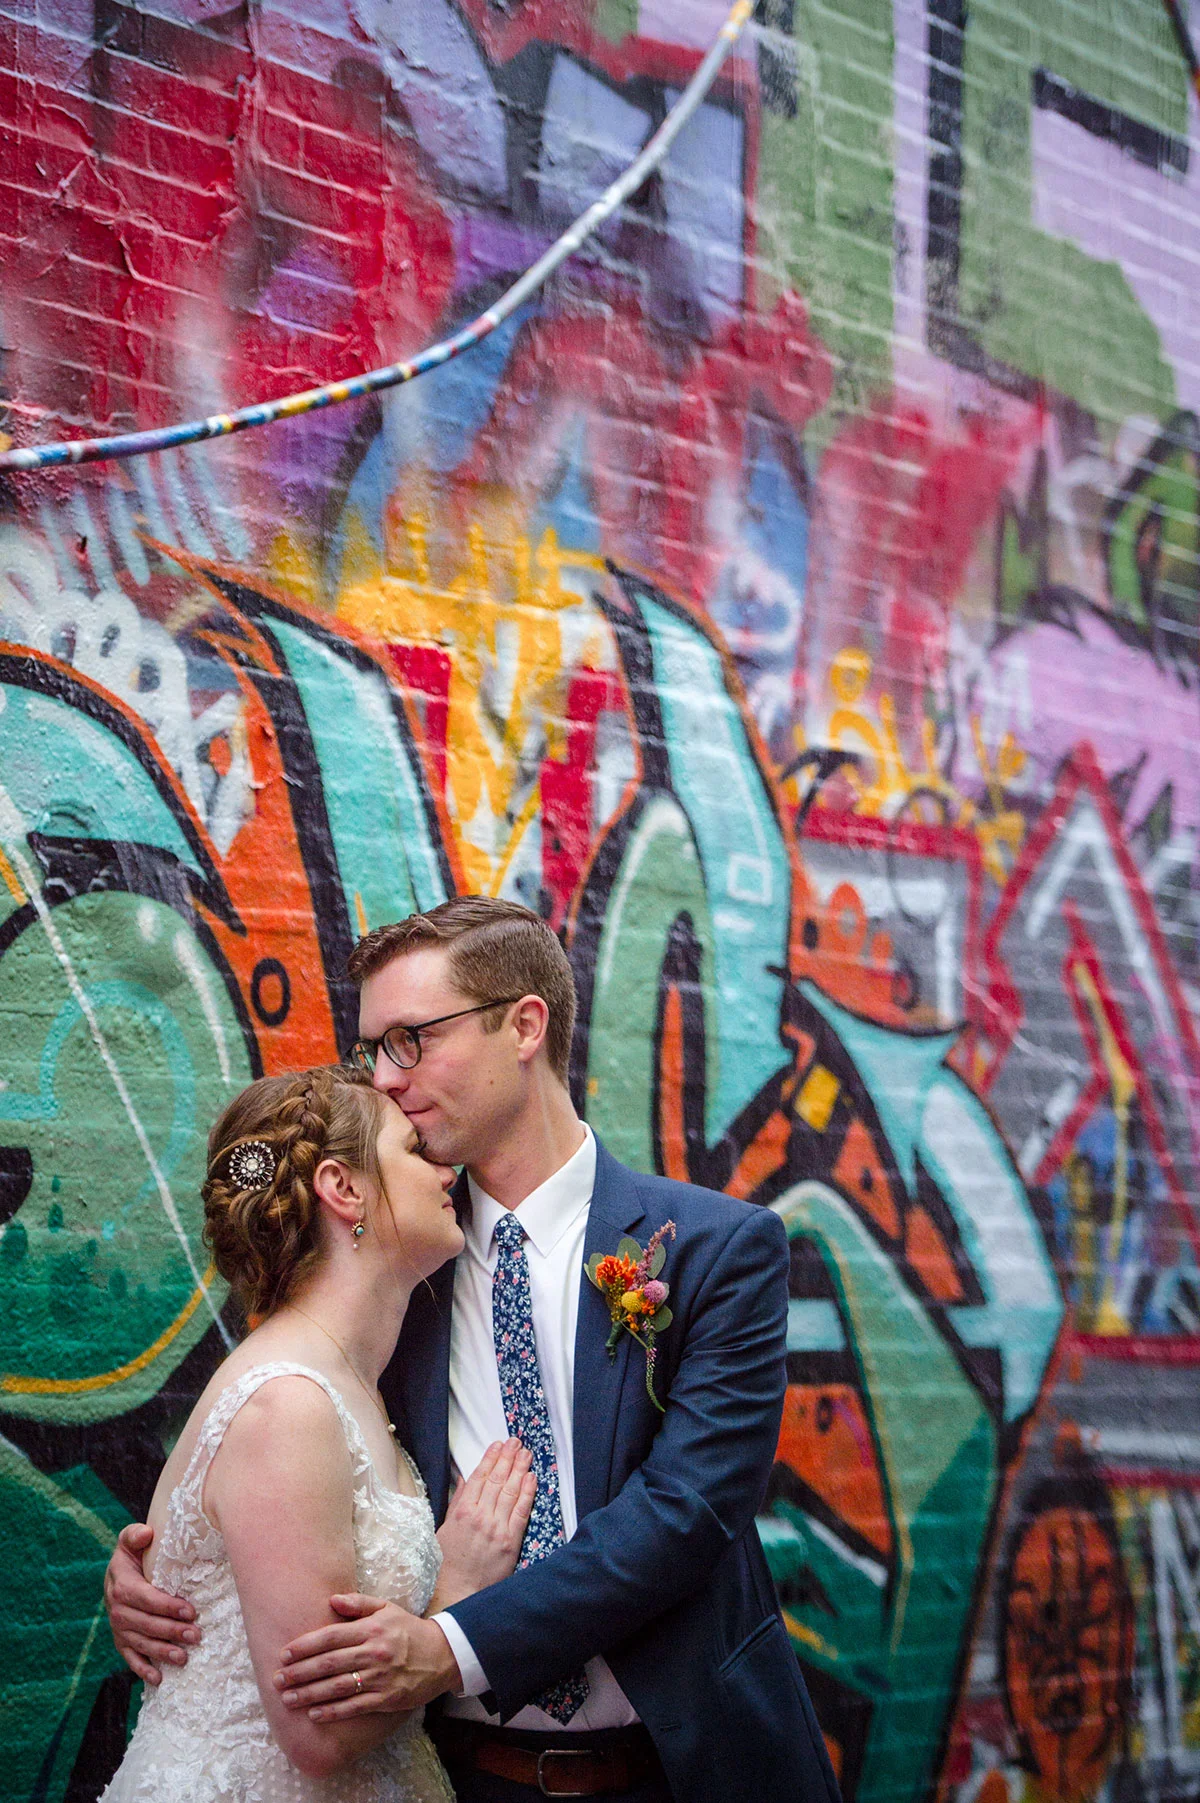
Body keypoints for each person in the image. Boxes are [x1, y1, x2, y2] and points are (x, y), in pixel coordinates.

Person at [107, 898, 842, 1803]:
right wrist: (173, 1573)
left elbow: (687, 1511)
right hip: (463, 1775)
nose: (385, 1076)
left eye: (411, 1039)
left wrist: (449, 1645)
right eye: (373, 1049)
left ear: (524, 1025)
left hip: (688, 1768)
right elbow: (270, 1436)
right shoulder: (390, 1271)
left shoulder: (717, 1249)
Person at [99, 1062, 535, 1803]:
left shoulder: (352, 1380)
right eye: (414, 1150)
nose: (447, 1170)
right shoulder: (289, 1406)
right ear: (344, 1187)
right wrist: (457, 1587)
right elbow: (316, 1732)